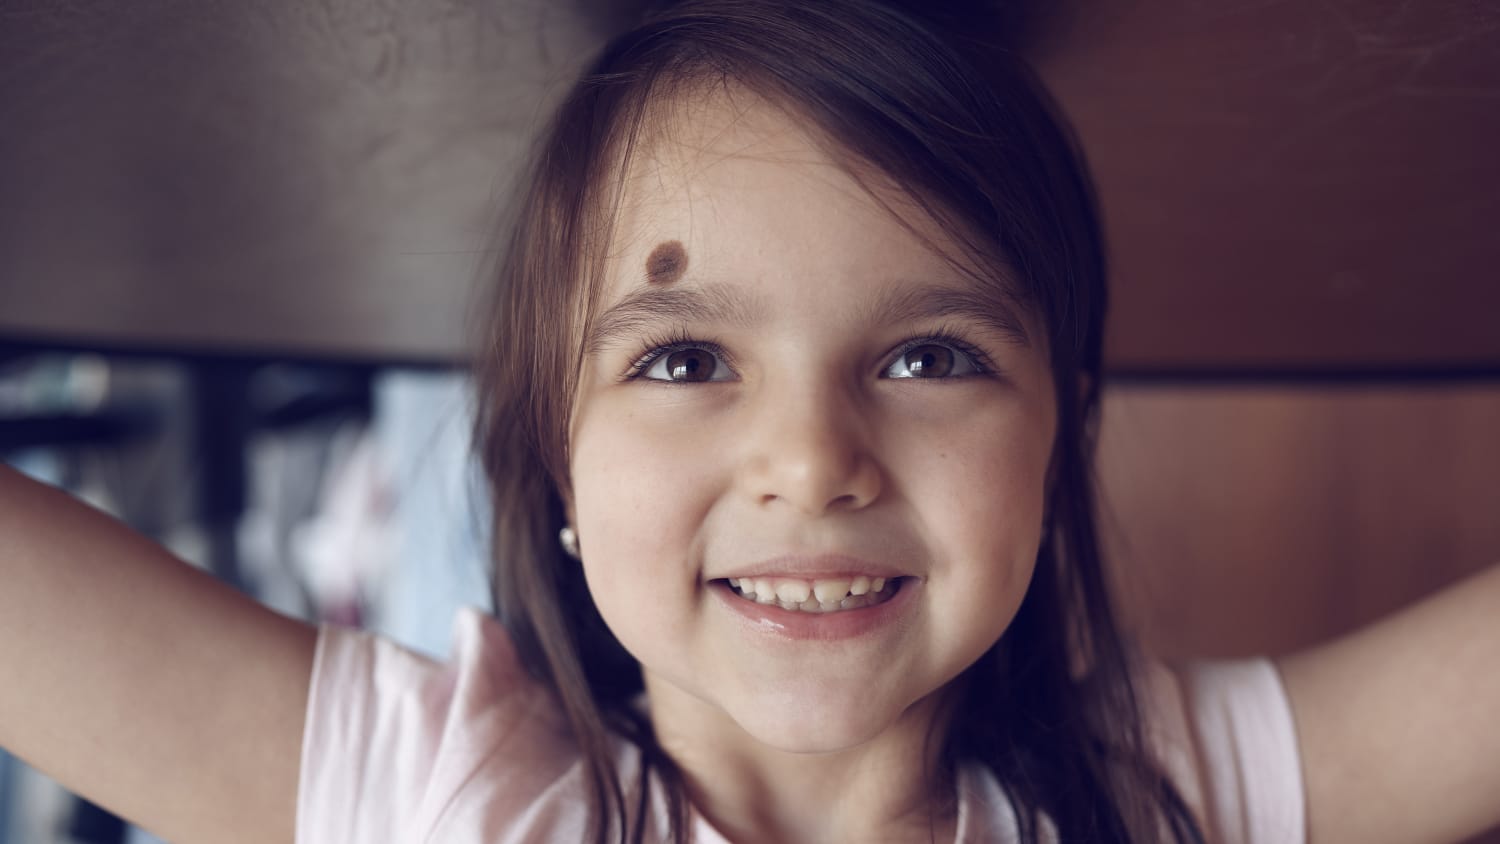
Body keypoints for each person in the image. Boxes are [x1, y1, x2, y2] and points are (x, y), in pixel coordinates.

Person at [1, 1, 1497, 842]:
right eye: (681, 361)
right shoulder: (441, 803)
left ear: (1065, 433)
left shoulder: (1157, 802)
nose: (810, 461)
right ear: (552, 457)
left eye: (928, 358)